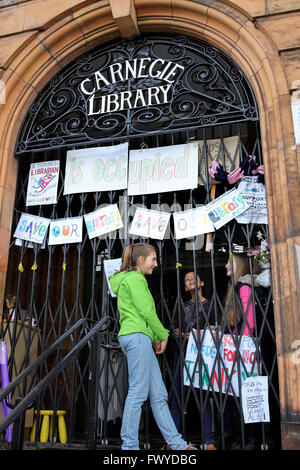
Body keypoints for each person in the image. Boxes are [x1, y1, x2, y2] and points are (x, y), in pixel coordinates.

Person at [109, 243, 194, 451]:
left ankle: (178, 445)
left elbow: (142, 314)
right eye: (153, 259)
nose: (155, 264)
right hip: (137, 338)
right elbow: (147, 310)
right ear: (140, 261)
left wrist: (156, 336)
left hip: (138, 337)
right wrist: (163, 334)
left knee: (158, 395)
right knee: (138, 392)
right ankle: (129, 447)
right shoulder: (135, 279)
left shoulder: (127, 280)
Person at [169, 271, 217, 450]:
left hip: (201, 355)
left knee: (202, 397)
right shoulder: (181, 305)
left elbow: (216, 327)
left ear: (202, 283)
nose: (189, 281)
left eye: (193, 278)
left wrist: (196, 335)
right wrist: (178, 334)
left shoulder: (211, 305)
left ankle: (208, 441)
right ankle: (173, 441)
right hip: (181, 354)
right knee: (177, 397)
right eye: (186, 280)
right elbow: (174, 329)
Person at [222, 253, 259, 450]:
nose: (226, 264)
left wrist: (241, 346)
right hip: (237, 348)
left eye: (230, 261)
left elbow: (249, 322)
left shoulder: (243, 288)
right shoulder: (233, 287)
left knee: (246, 396)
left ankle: (251, 438)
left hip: (243, 350)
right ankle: (239, 436)